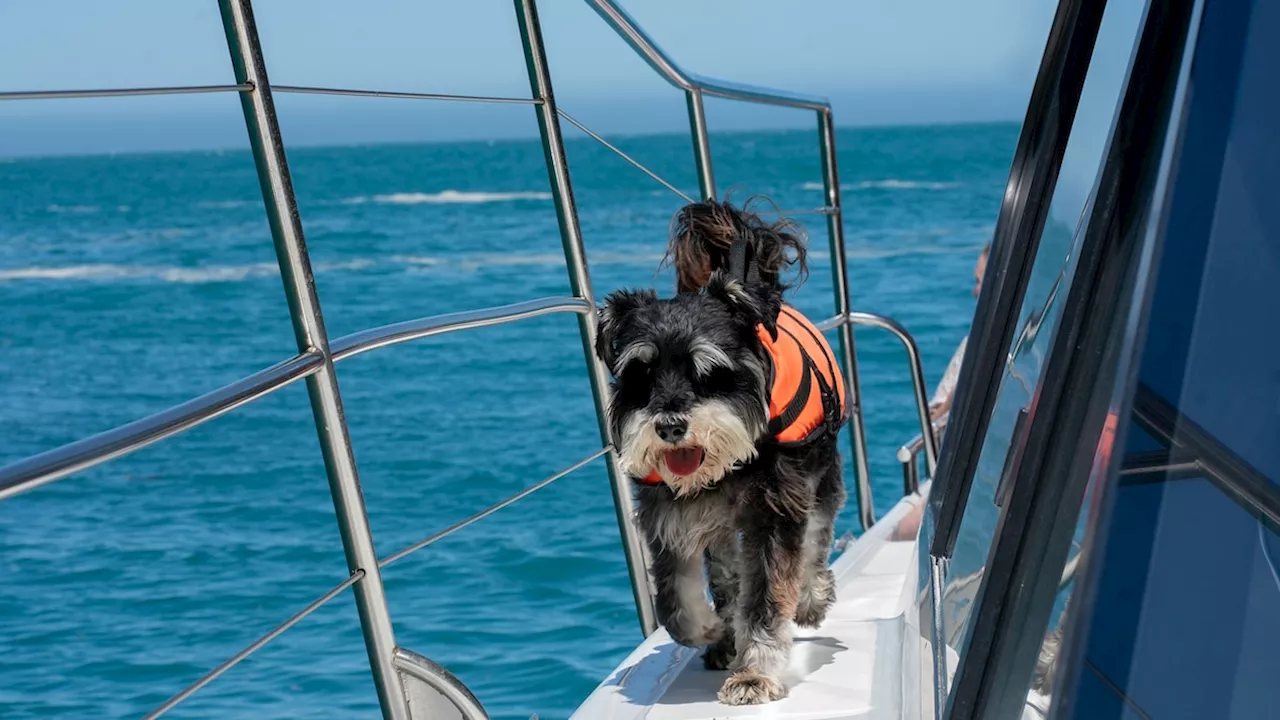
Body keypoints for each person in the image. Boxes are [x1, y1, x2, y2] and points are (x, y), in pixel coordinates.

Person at [928, 244, 989, 421]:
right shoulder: (971, 345)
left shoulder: (976, 348)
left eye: (980, 281)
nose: (974, 291)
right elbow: (933, 419)